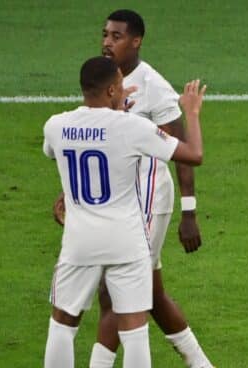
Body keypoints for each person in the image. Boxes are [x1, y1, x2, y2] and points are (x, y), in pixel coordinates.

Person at [53, 9, 214, 368]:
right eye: (105, 34)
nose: (108, 42)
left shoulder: (153, 86)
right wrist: (75, 191)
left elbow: (183, 150)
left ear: (136, 40)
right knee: (149, 294)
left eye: (117, 36)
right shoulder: (104, 81)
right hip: (117, 197)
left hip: (148, 198)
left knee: (117, 292)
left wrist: (189, 211)